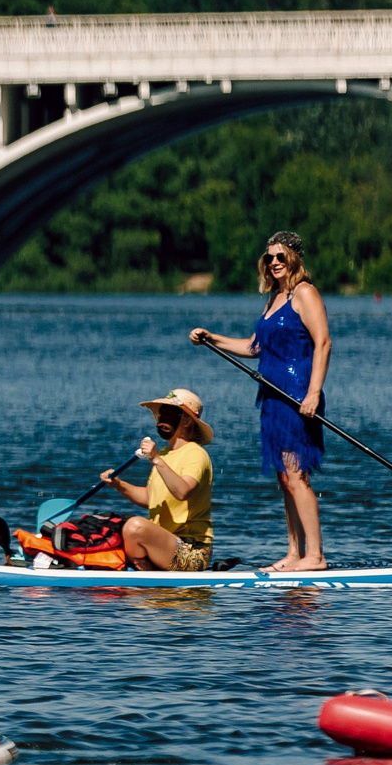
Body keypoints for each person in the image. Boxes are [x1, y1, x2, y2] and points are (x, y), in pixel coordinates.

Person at [192, 231, 330, 571]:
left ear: (295, 258)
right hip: (272, 398)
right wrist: (214, 338)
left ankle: (316, 556)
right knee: (285, 477)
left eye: (281, 257)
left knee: (297, 476)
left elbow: (323, 342)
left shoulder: (304, 293)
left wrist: (313, 392)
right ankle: (294, 554)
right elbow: (254, 347)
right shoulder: (274, 299)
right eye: (269, 258)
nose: (275, 263)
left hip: (297, 395)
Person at [99, 389, 215, 572]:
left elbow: (182, 491)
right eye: (161, 414)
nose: (161, 420)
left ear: (186, 421)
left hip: (192, 553)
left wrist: (156, 460)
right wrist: (118, 484)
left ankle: (144, 569)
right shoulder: (164, 454)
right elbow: (149, 498)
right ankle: (142, 569)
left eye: (168, 414)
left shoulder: (196, 454)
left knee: (135, 526)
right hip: (163, 545)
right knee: (113, 526)